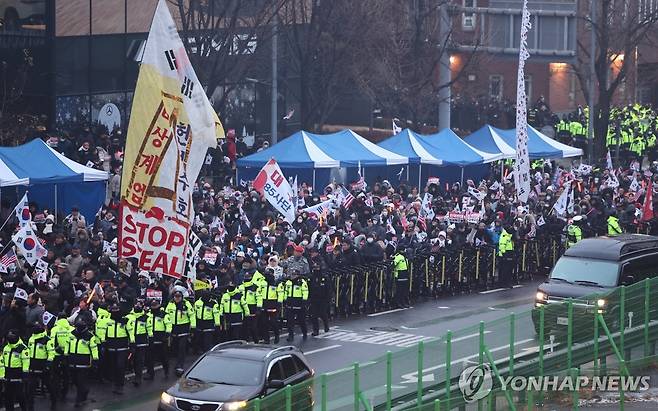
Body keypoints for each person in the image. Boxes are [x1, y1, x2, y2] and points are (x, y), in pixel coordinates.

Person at [65, 320, 99, 408]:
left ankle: (78, 400)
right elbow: (67, 345)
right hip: (72, 361)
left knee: (80, 381)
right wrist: (65, 355)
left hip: (84, 363)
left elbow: (94, 348)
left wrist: (95, 360)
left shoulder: (90, 336)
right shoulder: (71, 334)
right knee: (74, 380)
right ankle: (85, 391)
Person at [97, 304, 130, 394]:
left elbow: (130, 332)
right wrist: (103, 342)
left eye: (116, 310)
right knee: (114, 367)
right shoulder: (107, 321)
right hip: (111, 347)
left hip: (122, 347)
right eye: (113, 310)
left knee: (120, 366)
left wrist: (132, 343)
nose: (115, 312)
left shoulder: (125, 321)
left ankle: (120, 385)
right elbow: (102, 332)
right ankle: (116, 384)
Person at [25, 320, 56, 411]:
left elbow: (51, 353)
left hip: (43, 366)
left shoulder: (47, 340)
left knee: (49, 385)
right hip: (33, 365)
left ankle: (54, 400)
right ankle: (30, 405)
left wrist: (48, 364)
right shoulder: (31, 339)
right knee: (31, 388)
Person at [165, 291, 195, 376]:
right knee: (175, 349)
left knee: (181, 348)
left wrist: (193, 327)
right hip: (174, 329)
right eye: (175, 296)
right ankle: (176, 364)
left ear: (181, 297)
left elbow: (192, 315)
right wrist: (168, 330)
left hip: (184, 329)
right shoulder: (170, 304)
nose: (177, 298)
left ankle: (180, 366)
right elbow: (167, 316)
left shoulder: (187, 304)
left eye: (179, 296)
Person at [2, 329, 29, 411]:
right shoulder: (6, 347)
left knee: (20, 396)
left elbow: (26, 362)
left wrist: (25, 375)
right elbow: (3, 361)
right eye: (9, 336)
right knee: (8, 397)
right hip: (7, 374)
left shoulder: (23, 348)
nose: (10, 338)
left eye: (12, 336)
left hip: (18, 375)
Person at [145, 299, 171, 380]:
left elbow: (169, 325)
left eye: (155, 306)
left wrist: (166, 335)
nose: (154, 307)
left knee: (163, 357)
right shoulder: (148, 315)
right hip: (151, 338)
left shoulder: (164, 315)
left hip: (161, 338)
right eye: (152, 306)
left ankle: (166, 372)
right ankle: (150, 374)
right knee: (149, 358)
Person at [126, 300, 149, 386]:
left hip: (142, 342)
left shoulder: (146, 317)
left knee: (139, 360)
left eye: (139, 304)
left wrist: (149, 338)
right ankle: (134, 372)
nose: (137, 305)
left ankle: (138, 378)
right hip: (131, 342)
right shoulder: (128, 317)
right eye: (136, 304)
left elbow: (149, 329)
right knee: (133, 360)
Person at [260, 269, 284, 343]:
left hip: (273, 304)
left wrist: (279, 304)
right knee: (264, 323)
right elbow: (259, 293)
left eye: (269, 273)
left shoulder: (277, 283)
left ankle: (277, 336)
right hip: (264, 304)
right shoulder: (262, 282)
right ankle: (266, 339)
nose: (267, 275)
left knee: (273, 322)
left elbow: (280, 294)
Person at [285, 270, 309, 341]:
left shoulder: (302, 282)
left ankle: (304, 333)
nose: (293, 276)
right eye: (292, 274)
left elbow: (305, 292)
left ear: (298, 275)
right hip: (290, 304)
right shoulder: (288, 282)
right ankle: (291, 335)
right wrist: (285, 299)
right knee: (290, 321)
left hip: (299, 304)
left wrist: (304, 301)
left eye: (295, 274)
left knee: (301, 321)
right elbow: (286, 291)